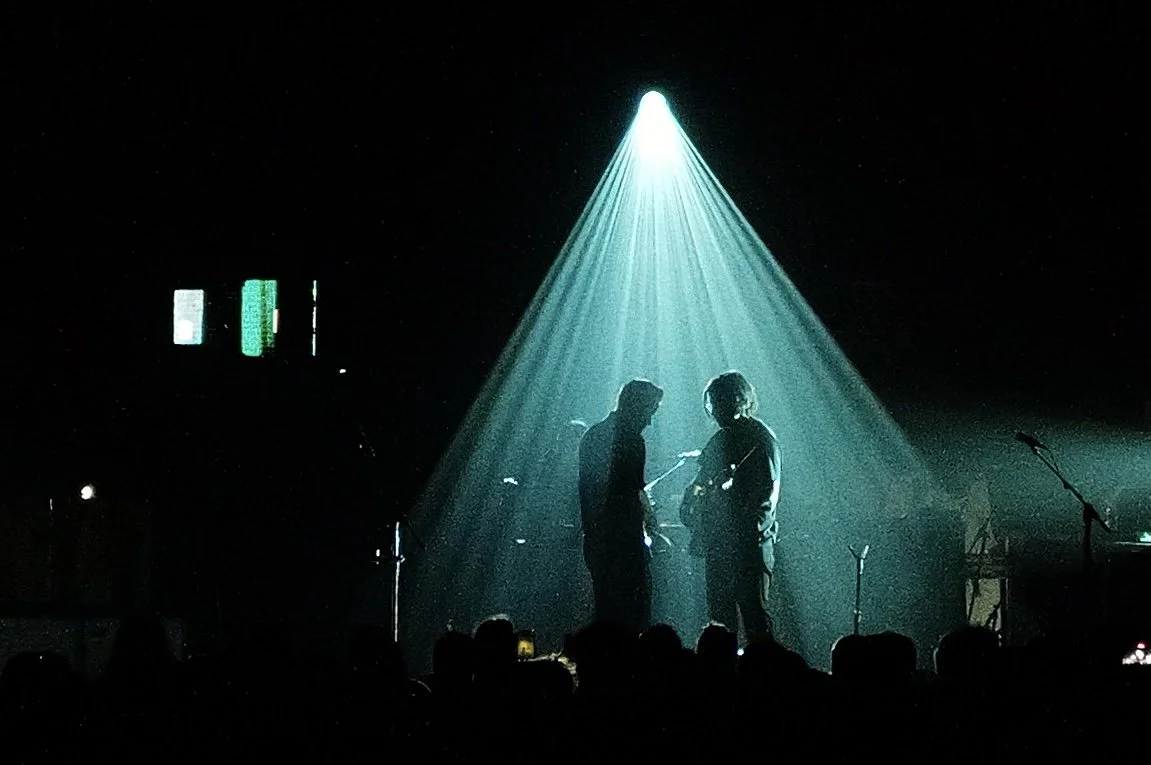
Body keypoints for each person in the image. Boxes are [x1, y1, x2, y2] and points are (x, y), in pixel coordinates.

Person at [679, 370, 780, 641]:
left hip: (749, 545)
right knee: (721, 621)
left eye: (718, 402)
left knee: (754, 617)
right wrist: (692, 497)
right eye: (713, 403)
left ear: (737, 400)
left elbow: (765, 495)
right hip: (721, 544)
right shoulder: (721, 439)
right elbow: (702, 479)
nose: (714, 410)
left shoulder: (759, 438)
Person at [578, 379, 663, 634]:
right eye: (649, 412)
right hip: (624, 541)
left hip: (597, 539)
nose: (649, 421)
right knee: (635, 612)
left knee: (606, 612)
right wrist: (648, 520)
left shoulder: (593, 435)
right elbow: (632, 492)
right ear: (636, 406)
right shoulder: (632, 441)